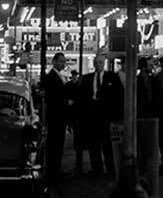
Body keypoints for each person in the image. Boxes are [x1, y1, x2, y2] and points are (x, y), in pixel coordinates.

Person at [77, 56, 114, 178]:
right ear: (93, 64)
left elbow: (116, 96)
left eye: (101, 62)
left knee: (107, 144)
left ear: (104, 63)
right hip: (92, 115)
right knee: (94, 144)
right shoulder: (87, 79)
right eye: (96, 62)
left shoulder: (111, 77)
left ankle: (110, 168)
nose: (98, 65)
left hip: (106, 115)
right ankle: (97, 169)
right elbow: (82, 97)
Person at [40, 52, 70, 183]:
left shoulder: (57, 76)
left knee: (57, 144)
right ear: (54, 62)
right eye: (61, 61)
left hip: (58, 116)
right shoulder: (52, 77)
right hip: (56, 116)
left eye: (64, 62)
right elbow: (53, 98)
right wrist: (66, 101)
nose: (63, 64)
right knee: (55, 144)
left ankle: (55, 169)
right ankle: (53, 170)